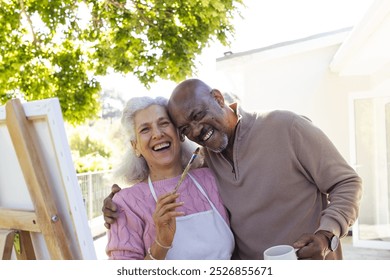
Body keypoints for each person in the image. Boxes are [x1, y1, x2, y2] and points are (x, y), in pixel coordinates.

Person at [103, 79, 362, 260]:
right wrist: (119, 203)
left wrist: (327, 236)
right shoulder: (207, 162)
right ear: (134, 145)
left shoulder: (286, 127)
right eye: (185, 129)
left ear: (218, 98)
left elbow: (347, 182)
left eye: (198, 115)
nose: (196, 131)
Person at [105, 95, 234, 260]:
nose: (157, 134)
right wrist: (161, 243)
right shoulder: (125, 204)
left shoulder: (210, 178)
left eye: (164, 123)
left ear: (180, 134)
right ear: (135, 146)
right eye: (145, 129)